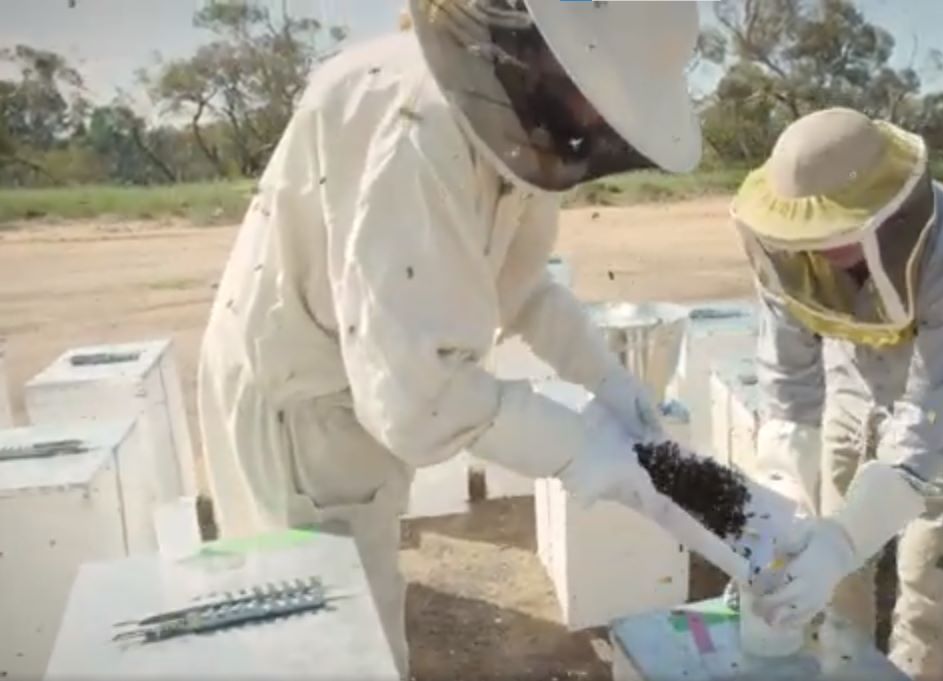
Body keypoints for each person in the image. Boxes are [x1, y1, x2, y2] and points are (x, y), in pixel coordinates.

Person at [195, 0, 702, 676]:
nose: (596, 121)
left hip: (357, 384)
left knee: (366, 622)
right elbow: (421, 398)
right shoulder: (415, 123)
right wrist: (583, 448)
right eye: (599, 94)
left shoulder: (518, 125)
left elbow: (519, 286)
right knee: (332, 651)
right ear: (550, 49)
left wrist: (608, 379)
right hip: (301, 402)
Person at [732, 107, 943, 681]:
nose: (822, 247)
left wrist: (841, 543)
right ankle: (845, 662)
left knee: (929, 562)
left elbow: (928, 423)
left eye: (839, 228)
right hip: (853, 381)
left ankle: (917, 667)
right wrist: (783, 498)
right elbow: (788, 386)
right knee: (831, 538)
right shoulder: (783, 248)